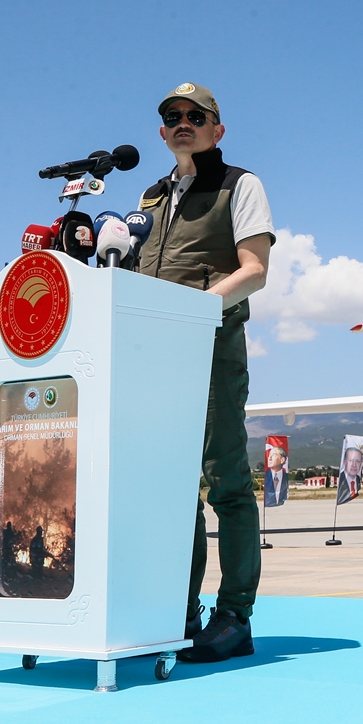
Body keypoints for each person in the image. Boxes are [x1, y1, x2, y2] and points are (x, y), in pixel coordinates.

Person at [137, 82, 274, 663]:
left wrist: (190, 312)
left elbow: (256, 270)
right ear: (162, 132)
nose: (183, 123)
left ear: (218, 129)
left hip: (211, 349)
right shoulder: (147, 198)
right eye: (173, 116)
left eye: (197, 116)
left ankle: (234, 617)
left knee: (227, 485)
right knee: (171, 491)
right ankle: (179, 609)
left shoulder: (240, 185)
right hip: (150, 357)